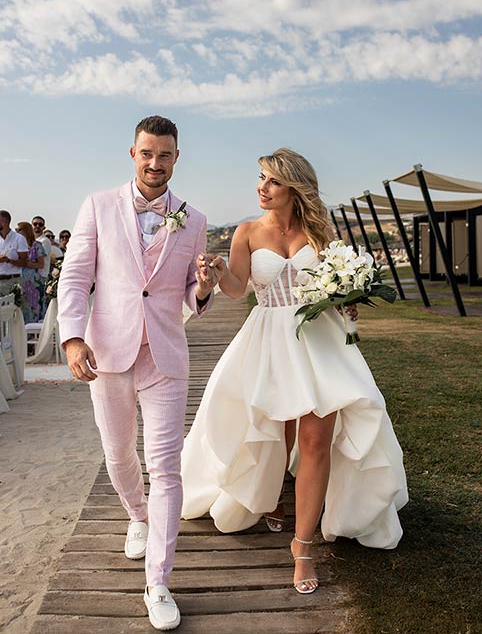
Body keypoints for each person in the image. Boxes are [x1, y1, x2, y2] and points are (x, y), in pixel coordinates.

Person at [181, 148, 408, 594]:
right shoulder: (246, 231)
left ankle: (301, 546)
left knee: (316, 435)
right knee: (277, 424)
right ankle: (271, 496)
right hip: (267, 335)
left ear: (293, 187)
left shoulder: (319, 233)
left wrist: (349, 296)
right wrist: (219, 272)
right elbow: (235, 290)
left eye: (271, 181)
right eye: (260, 178)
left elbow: (335, 282)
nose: (261, 188)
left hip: (317, 336)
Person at [57, 115, 218, 631]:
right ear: (133, 153)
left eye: (165, 155)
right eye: (147, 153)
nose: (155, 163)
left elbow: (190, 300)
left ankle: (159, 582)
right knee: (118, 452)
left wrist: (205, 287)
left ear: (177, 157)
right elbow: (77, 275)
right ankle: (137, 516)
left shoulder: (194, 219)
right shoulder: (98, 206)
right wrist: (73, 336)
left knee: (165, 466)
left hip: (166, 355)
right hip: (108, 352)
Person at [16, 222, 47, 322]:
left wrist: (27, 264)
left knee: (34, 307)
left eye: (19, 229)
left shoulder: (37, 245)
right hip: (18, 279)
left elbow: (41, 264)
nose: (17, 232)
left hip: (33, 281)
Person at [0, 210, 28, 296]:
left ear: (5, 222)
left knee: (14, 309)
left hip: (13, 281)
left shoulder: (19, 239)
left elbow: (24, 262)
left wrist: (8, 260)